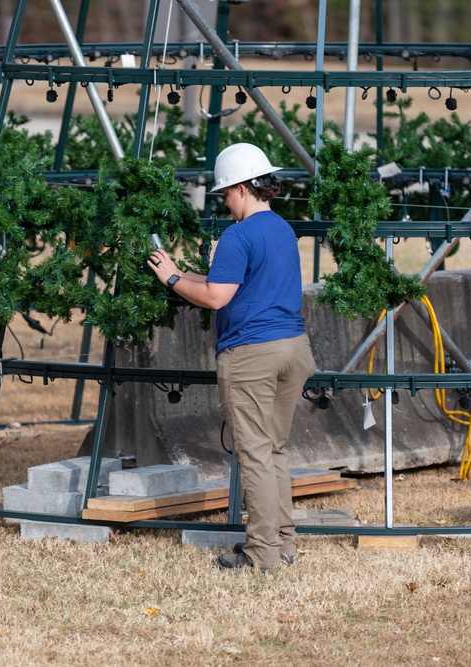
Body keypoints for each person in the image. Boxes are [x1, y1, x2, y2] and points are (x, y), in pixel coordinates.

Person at [147, 143, 316, 572]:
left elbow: (217, 296)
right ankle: (283, 544)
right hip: (293, 350)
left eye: (225, 193)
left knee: (254, 454)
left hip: (251, 356)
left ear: (242, 188)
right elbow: (231, 281)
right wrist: (181, 272)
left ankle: (261, 555)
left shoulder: (237, 236)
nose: (224, 202)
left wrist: (170, 280)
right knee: (273, 450)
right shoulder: (281, 228)